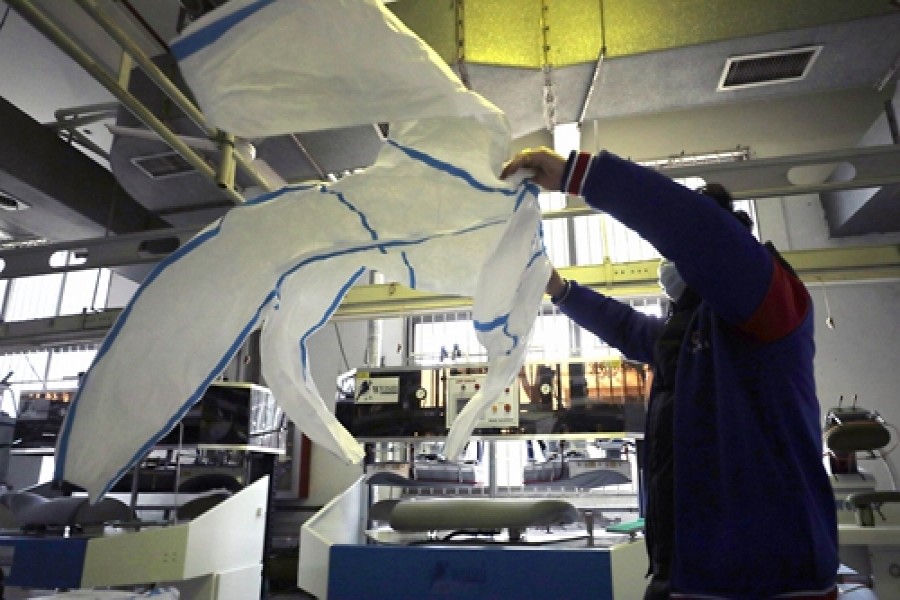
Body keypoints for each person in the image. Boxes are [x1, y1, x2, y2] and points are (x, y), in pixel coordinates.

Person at [501, 148, 838, 599]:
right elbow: (630, 328)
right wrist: (559, 290)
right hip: (689, 571)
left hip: (769, 578)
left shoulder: (767, 303)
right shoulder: (693, 332)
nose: (669, 264)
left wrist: (579, 176)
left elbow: (694, 231)